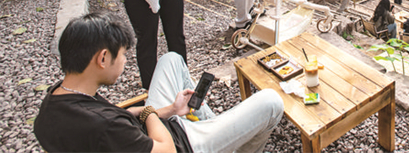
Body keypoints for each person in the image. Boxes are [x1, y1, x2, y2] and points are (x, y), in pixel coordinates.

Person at [34, 12, 283, 153]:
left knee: (171, 59)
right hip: (183, 145)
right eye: (122, 55)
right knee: (272, 101)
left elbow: (122, 116)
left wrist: (171, 110)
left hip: (161, 126)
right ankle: (222, 138)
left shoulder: (56, 101)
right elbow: (166, 150)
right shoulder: (106, 127)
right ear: (102, 58)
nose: (125, 62)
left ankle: (215, 126)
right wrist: (152, 113)